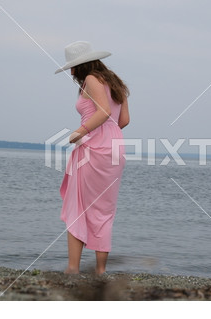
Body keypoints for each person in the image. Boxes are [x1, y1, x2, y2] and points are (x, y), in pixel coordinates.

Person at [55, 41, 129, 275]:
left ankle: (73, 268)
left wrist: (81, 131)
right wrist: (108, 133)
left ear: (79, 66)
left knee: (78, 204)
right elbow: (123, 120)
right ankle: (100, 271)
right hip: (115, 146)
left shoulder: (91, 80)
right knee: (104, 210)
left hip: (94, 146)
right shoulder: (116, 82)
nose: (72, 72)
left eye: (72, 67)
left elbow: (104, 111)